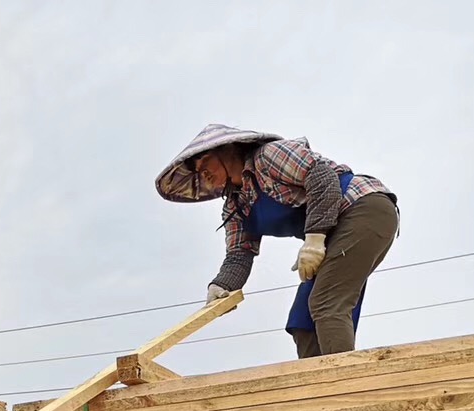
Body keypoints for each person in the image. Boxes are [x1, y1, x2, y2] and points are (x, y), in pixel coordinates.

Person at [156, 124, 399, 358]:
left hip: (364, 208)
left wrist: (314, 239)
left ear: (227, 152)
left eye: (205, 162)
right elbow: (240, 253)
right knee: (302, 320)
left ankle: (345, 386)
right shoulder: (235, 206)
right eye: (198, 172)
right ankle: (316, 392)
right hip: (333, 232)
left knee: (326, 302)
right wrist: (221, 285)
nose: (203, 173)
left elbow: (321, 176)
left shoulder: (268, 157)